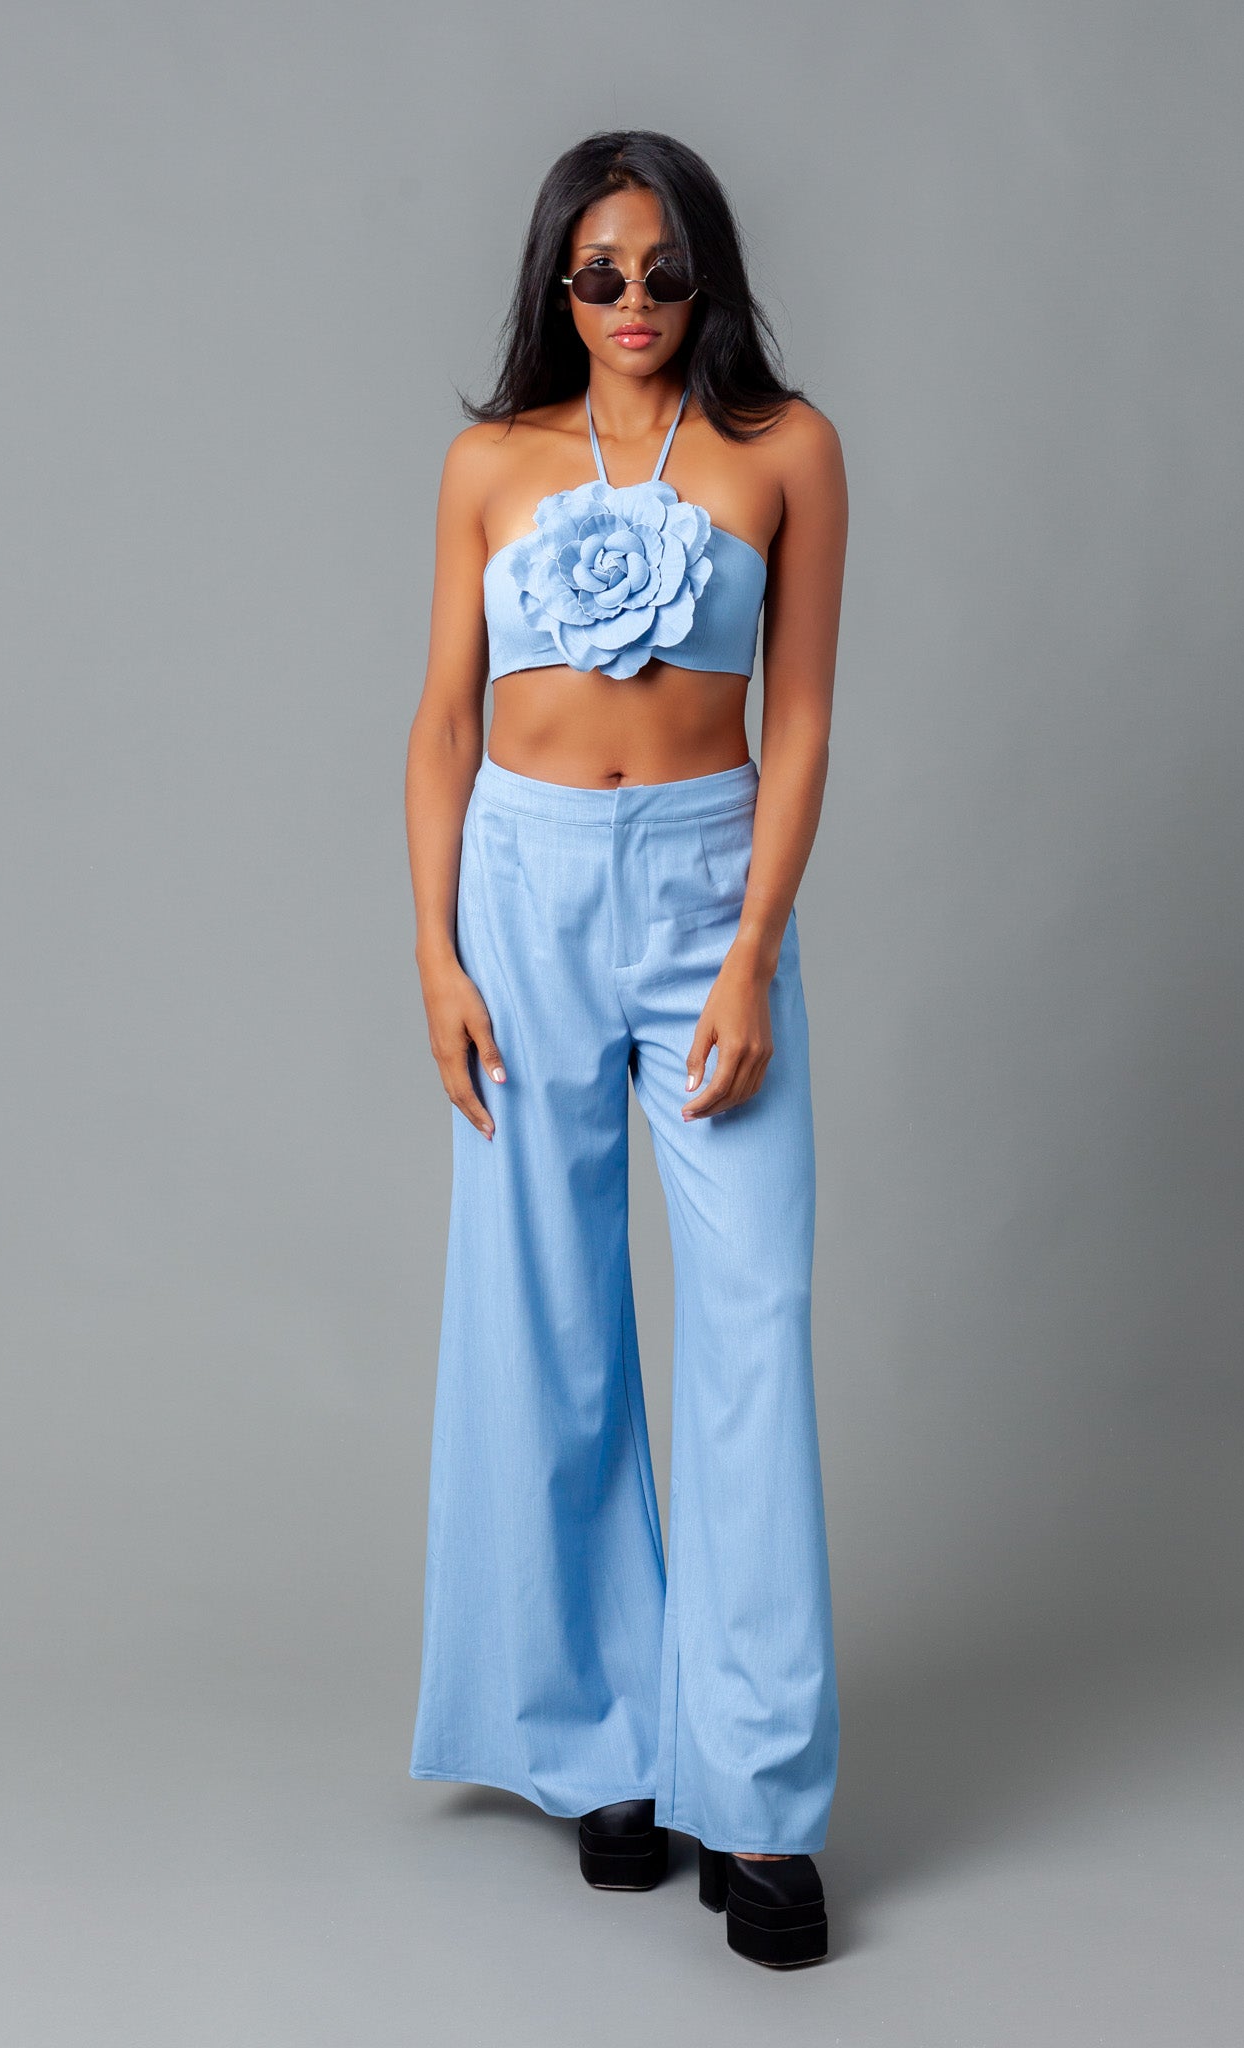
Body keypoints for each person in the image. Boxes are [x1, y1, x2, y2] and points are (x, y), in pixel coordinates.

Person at [403, 128, 848, 1970]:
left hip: (702, 893)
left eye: (663, 269)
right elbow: (442, 719)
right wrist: (433, 951)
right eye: (599, 273)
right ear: (556, 286)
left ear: (705, 274)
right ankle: (603, 1750)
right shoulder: (490, 463)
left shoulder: (785, 450)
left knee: (750, 1325)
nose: (635, 300)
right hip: (520, 891)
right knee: (552, 1322)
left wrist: (751, 950)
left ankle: (759, 1798)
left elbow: (799, 716)